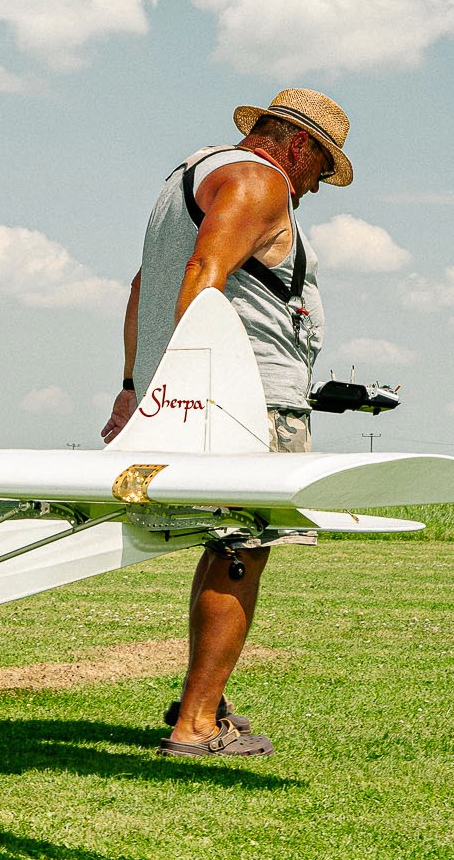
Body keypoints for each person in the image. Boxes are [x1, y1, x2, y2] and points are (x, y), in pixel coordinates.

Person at [100, 88, 353, 759]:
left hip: (196, 393)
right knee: (242, 549)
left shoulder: (191, 175)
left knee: (227, 547)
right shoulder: (257, 180)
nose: (314, 188)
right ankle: (196, 725)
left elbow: (140, 287)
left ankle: (200, 701)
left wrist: (135, 387)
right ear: (299, 146)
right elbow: (203, 274)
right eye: (320, 171)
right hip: (247, 403)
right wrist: (197, 389)